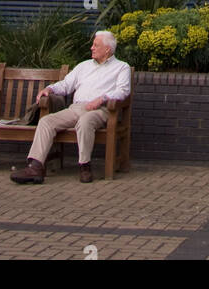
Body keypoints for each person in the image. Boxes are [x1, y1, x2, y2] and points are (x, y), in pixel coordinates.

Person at [10, 30, 131, 185]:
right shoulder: (83, 66)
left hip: (101, 110)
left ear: (107, 49)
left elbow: (123, 91)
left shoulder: (121, 67)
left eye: (96, 45)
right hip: (76, 108)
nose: (91, 48)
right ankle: (35, 167)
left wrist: (102, 99)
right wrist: (50, 89)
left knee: (85, 121)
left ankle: (84, 166)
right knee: (47, 121)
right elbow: (67, 85)